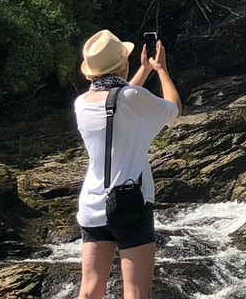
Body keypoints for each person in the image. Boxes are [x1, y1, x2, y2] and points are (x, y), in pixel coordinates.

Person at [74, 29, 181, 299]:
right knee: (135, 293)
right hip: (130, 203)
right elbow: (173, 108)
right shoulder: (133, 99)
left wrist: (142, 72)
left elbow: (118, 102)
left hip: (93, 203)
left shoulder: (81, 104)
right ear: (123, 64)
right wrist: (161, 70)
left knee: (90, 290)